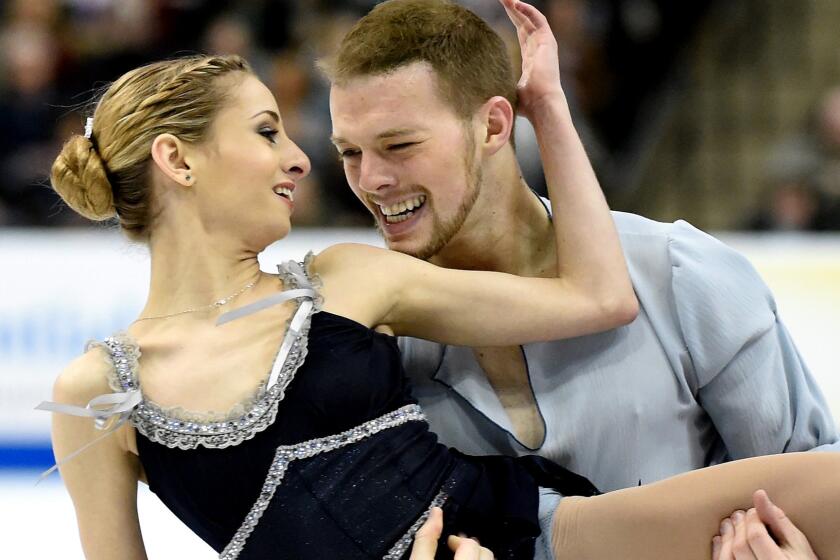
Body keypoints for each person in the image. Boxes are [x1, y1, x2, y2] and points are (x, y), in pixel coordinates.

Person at [41, 37, 637, 560]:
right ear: (177, 159)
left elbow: (600, 297)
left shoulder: (349, 278)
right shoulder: (95, 393)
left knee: (732, 504)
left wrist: (549, 111)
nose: (301, 160)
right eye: (267, 131)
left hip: (535, 528)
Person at [325, 0, 839, 508]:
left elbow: (816, 487)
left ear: (495, 127)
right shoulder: (372, 342)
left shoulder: (680, 275)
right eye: (350, 152)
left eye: (399, 145)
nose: (371, 180)